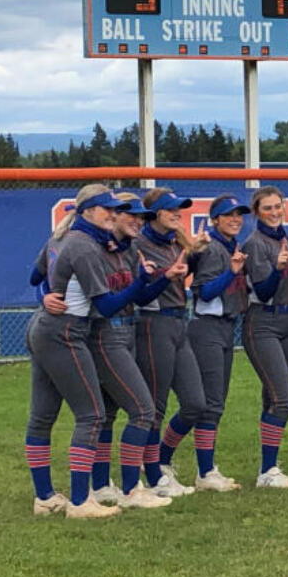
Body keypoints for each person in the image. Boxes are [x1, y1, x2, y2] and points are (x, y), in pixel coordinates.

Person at [26, 185, 155, 518]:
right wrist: (139, 284)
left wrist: (45, 296)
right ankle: (81, 502)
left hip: (43, 327)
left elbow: (35, 277)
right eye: (106, 208)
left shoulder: (61, 237)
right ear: (86, 211)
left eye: (114, 208)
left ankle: (45, 497)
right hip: (65, 331)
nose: (113, 213)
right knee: (92, 415)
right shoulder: (85, 246)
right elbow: (107, 306)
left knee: (42, 418)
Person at [86, 192, 173, 508]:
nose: (137, 220)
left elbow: (137, 296)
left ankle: (100, 486)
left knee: (108, 414)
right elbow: (48, 272)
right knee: (143, 409)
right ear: (112, 216)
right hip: (105, 334)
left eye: (141, 215)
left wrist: (164, 279)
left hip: (127, 331)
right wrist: (45, 297)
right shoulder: (93, 248)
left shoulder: (129, 249)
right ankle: (131, 489)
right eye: (130, 214)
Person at [132, 188, 204, 498]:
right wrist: (166, 273)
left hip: (179, 322)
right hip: (153, 323)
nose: (178, 214)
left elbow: (191, 274)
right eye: (172, 209)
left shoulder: (177, 241)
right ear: (157, 213)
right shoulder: (139, 243)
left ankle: (161, 460)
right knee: (155, 405)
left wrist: (196, 252)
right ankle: (153, 476)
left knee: (194, 403)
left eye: (180, 209)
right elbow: (141, 290)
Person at [186, 194, 251, 492]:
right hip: (207, 327)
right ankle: (204, 471)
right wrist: (231, 273)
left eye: (238, 214)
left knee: (214, 402)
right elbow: (204, 292)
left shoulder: (229, 245)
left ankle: (178, 462)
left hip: (223, 326)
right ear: (215, 219)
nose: (235, 219)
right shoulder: (213, 247)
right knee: (209, 403)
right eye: (228, 215)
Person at [242, 185, 288, 488]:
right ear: (256, 212)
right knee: (284, 398)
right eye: (267, 208)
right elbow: (264, 291)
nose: (275, 212)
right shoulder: (255, 243)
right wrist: (278, 270)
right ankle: (267, 471)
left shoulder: (284, 238)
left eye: (278, 206)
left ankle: (269, 466)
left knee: (272, 397)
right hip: (263, 321)